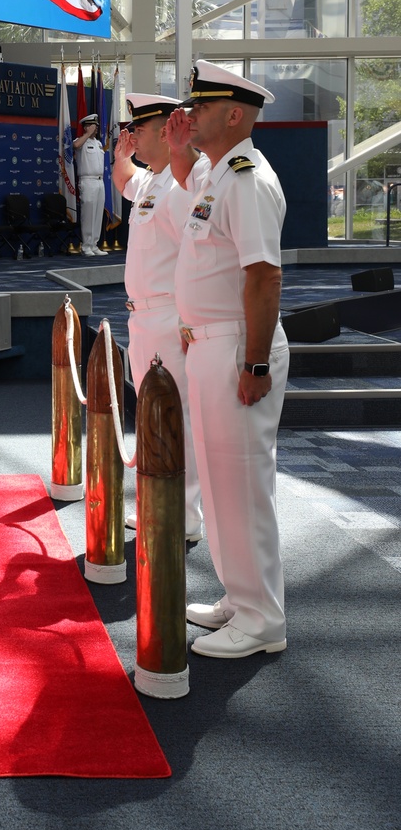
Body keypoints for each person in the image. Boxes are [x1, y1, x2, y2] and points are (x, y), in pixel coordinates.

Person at [165, 59, 289, 660]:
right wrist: (181, 148)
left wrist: (256, 364)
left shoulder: (246, 178)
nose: (189, 114)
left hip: (238, 345)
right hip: (209, 344)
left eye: (201, 107)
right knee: (218, 484)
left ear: (234, 115)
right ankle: (241, 598)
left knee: (242, 485)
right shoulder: (217, 173)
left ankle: (263, 618)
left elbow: (264, 277)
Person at [111, 93, 203, 543]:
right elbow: (124, 179)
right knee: (150, 415)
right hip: (143, 319)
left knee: (176, 417)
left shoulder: (186, 185)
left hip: (171, 317)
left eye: (140, 131)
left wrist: (190, 319)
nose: (133, 137)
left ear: (168, 132)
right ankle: (153, 502)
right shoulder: (151, 181)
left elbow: (198, 255)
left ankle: (183, 516)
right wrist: (120, 157)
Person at [74, 113, 106, 255]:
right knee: (88, 213)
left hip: (100, 181)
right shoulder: (81, 141)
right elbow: (75, 145)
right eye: (94, 126)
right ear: (87, 127)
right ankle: (86, 245)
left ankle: (94, 244)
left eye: (97, 126)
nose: (96, 129)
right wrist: (87, 134)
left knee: (98, 213)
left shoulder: (98, 144)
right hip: (87, 181)